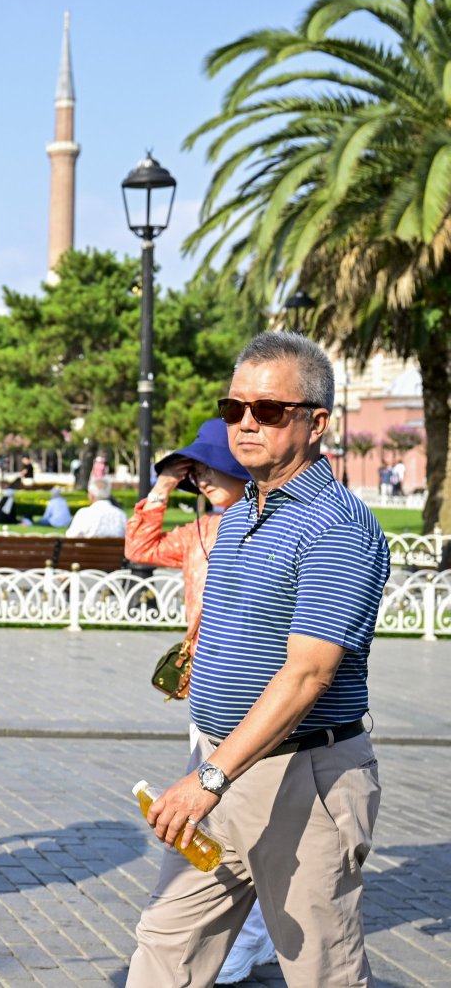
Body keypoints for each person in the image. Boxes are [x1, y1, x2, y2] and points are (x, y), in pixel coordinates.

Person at [128, 331, 389, 986]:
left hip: (303, 775)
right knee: (166, 944)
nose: (245, 423)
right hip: (221, 763)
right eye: (234, 407)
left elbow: (308, 672)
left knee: (319, 970)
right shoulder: (244, 511)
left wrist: (211, 776)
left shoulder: (337, 527)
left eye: (268, 410)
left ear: (315, 422)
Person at [126, 420, 273, 984]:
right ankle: (240, 930)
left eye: (214, 466)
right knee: (221, 810)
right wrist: (163, 486)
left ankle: (248, 935)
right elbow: (139, 546)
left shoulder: (269, 526)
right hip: (205, 690)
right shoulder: (198, 533)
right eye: (199, 469)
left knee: (246, 810)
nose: (206, 477)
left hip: (259, 689)